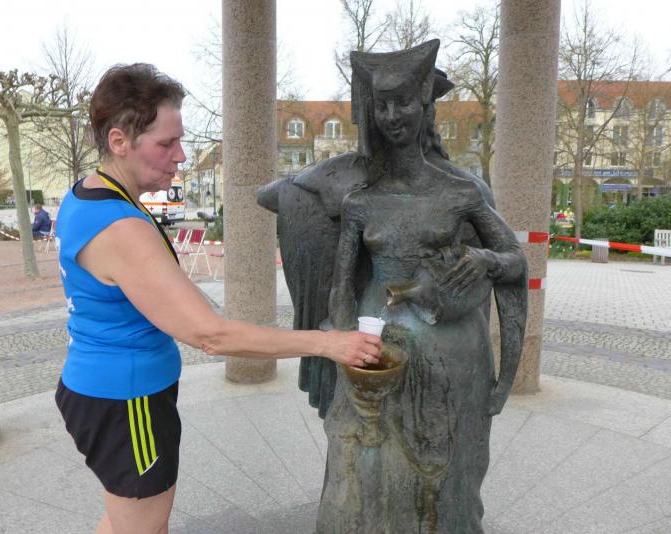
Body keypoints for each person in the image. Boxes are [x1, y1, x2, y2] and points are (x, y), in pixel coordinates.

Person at [54, 63, 382, 534]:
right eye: (166, 143)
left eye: (180, 140)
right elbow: (211, 335)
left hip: (100, 389)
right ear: (119, 140)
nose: (181, 156)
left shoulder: (89, 194)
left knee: (125, 519)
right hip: (127, 402)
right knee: (144, 527)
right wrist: (329, 343)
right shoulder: (121, 226)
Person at [316, 40, 528, 532]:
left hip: (450, 352)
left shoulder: (461, 191)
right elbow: (341, 289)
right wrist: (344, 352)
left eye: (404, 103)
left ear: (424, 106)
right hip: (378, 347)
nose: (392, 116)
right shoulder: (360, 202)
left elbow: (515, 260)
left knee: (448, 475)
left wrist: (485, 260)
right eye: (382, 105)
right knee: (364, 471)